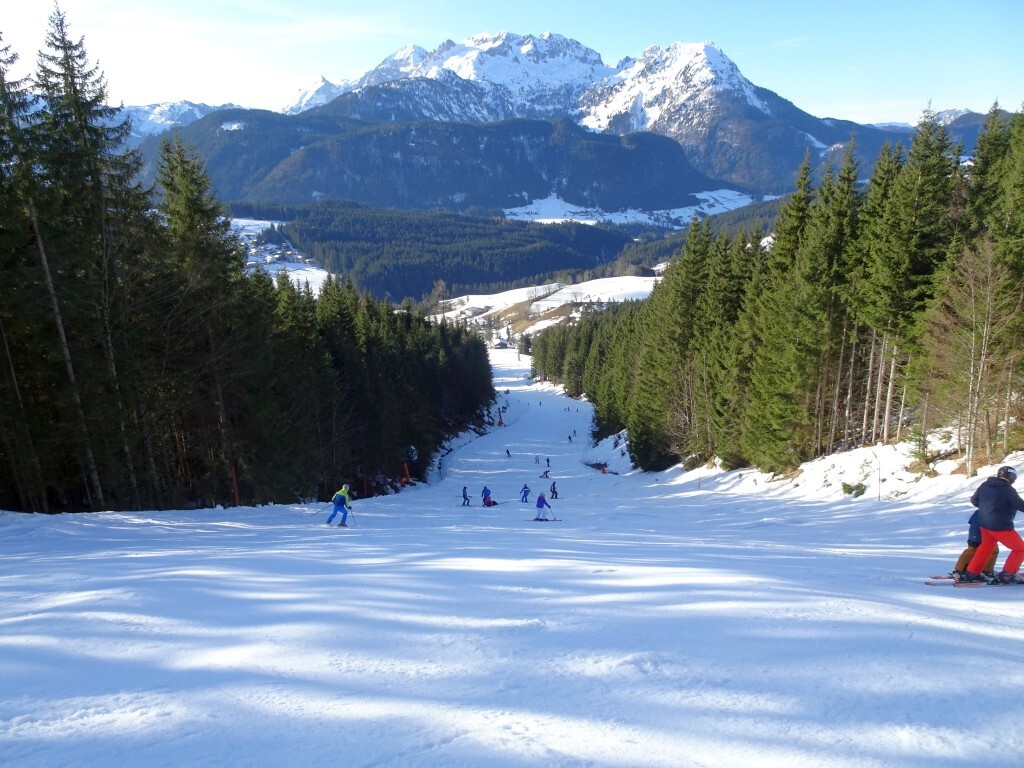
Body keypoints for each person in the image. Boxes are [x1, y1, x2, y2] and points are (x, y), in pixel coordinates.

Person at [961, 466, 1024, 584]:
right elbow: (1020, 505)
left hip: (984, 524)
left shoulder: (985, 485)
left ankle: (972, 573)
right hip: (1000, 526)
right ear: (1011, 477)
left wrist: (988, 509)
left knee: (986, 547)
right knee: (1020, 549)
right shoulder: (1008, 490)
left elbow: (974, 500)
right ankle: (1008, 574)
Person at [950, 509, 998, 579]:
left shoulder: (982, 508)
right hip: (980, 534)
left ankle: (960, 570)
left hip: (975, 533)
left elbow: (971, 521)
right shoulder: (993, 509)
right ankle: (985, 571)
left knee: (973, 550)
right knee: (991, 550)